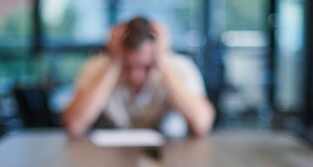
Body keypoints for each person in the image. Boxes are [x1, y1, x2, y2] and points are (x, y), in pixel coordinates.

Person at [61, 17, 215, 138]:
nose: (135, 75)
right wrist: (115, 64)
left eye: (146, 67)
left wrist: (162, 62)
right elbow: (74, 125)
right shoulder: (98, 67)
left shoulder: (179, 67)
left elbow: (202, 124)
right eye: (127, 66)